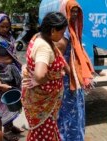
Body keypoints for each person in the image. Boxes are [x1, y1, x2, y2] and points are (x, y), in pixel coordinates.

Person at [21, 11, 68, 141]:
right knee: (43, 135)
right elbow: (39, 75)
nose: (63, 35)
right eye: (62, 32)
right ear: (53, 30)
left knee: (42, 132)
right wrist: (50, 76)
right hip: (42, 104)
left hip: (43, 103)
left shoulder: (39, 37)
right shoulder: (44, 47)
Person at [56, 0, 95, 140]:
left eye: (76, 11)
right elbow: (57, 55)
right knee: (68, 112)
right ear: (64, 11)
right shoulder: (64, 32)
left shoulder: (72, 29)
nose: (74, 14)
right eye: (71, 11)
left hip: (73, 76)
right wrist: (69, 71)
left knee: (74, 110)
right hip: (67, 80)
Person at [0, 13, 24, 141]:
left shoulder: (9, 37)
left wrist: (22, 66)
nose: (4, 29)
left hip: (12, 72)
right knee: (5, 102)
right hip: (1, 74)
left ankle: (11, 126)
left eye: (7, 26)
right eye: (2, 26)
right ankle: (5, 131)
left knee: (15, 99)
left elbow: (14, 54)